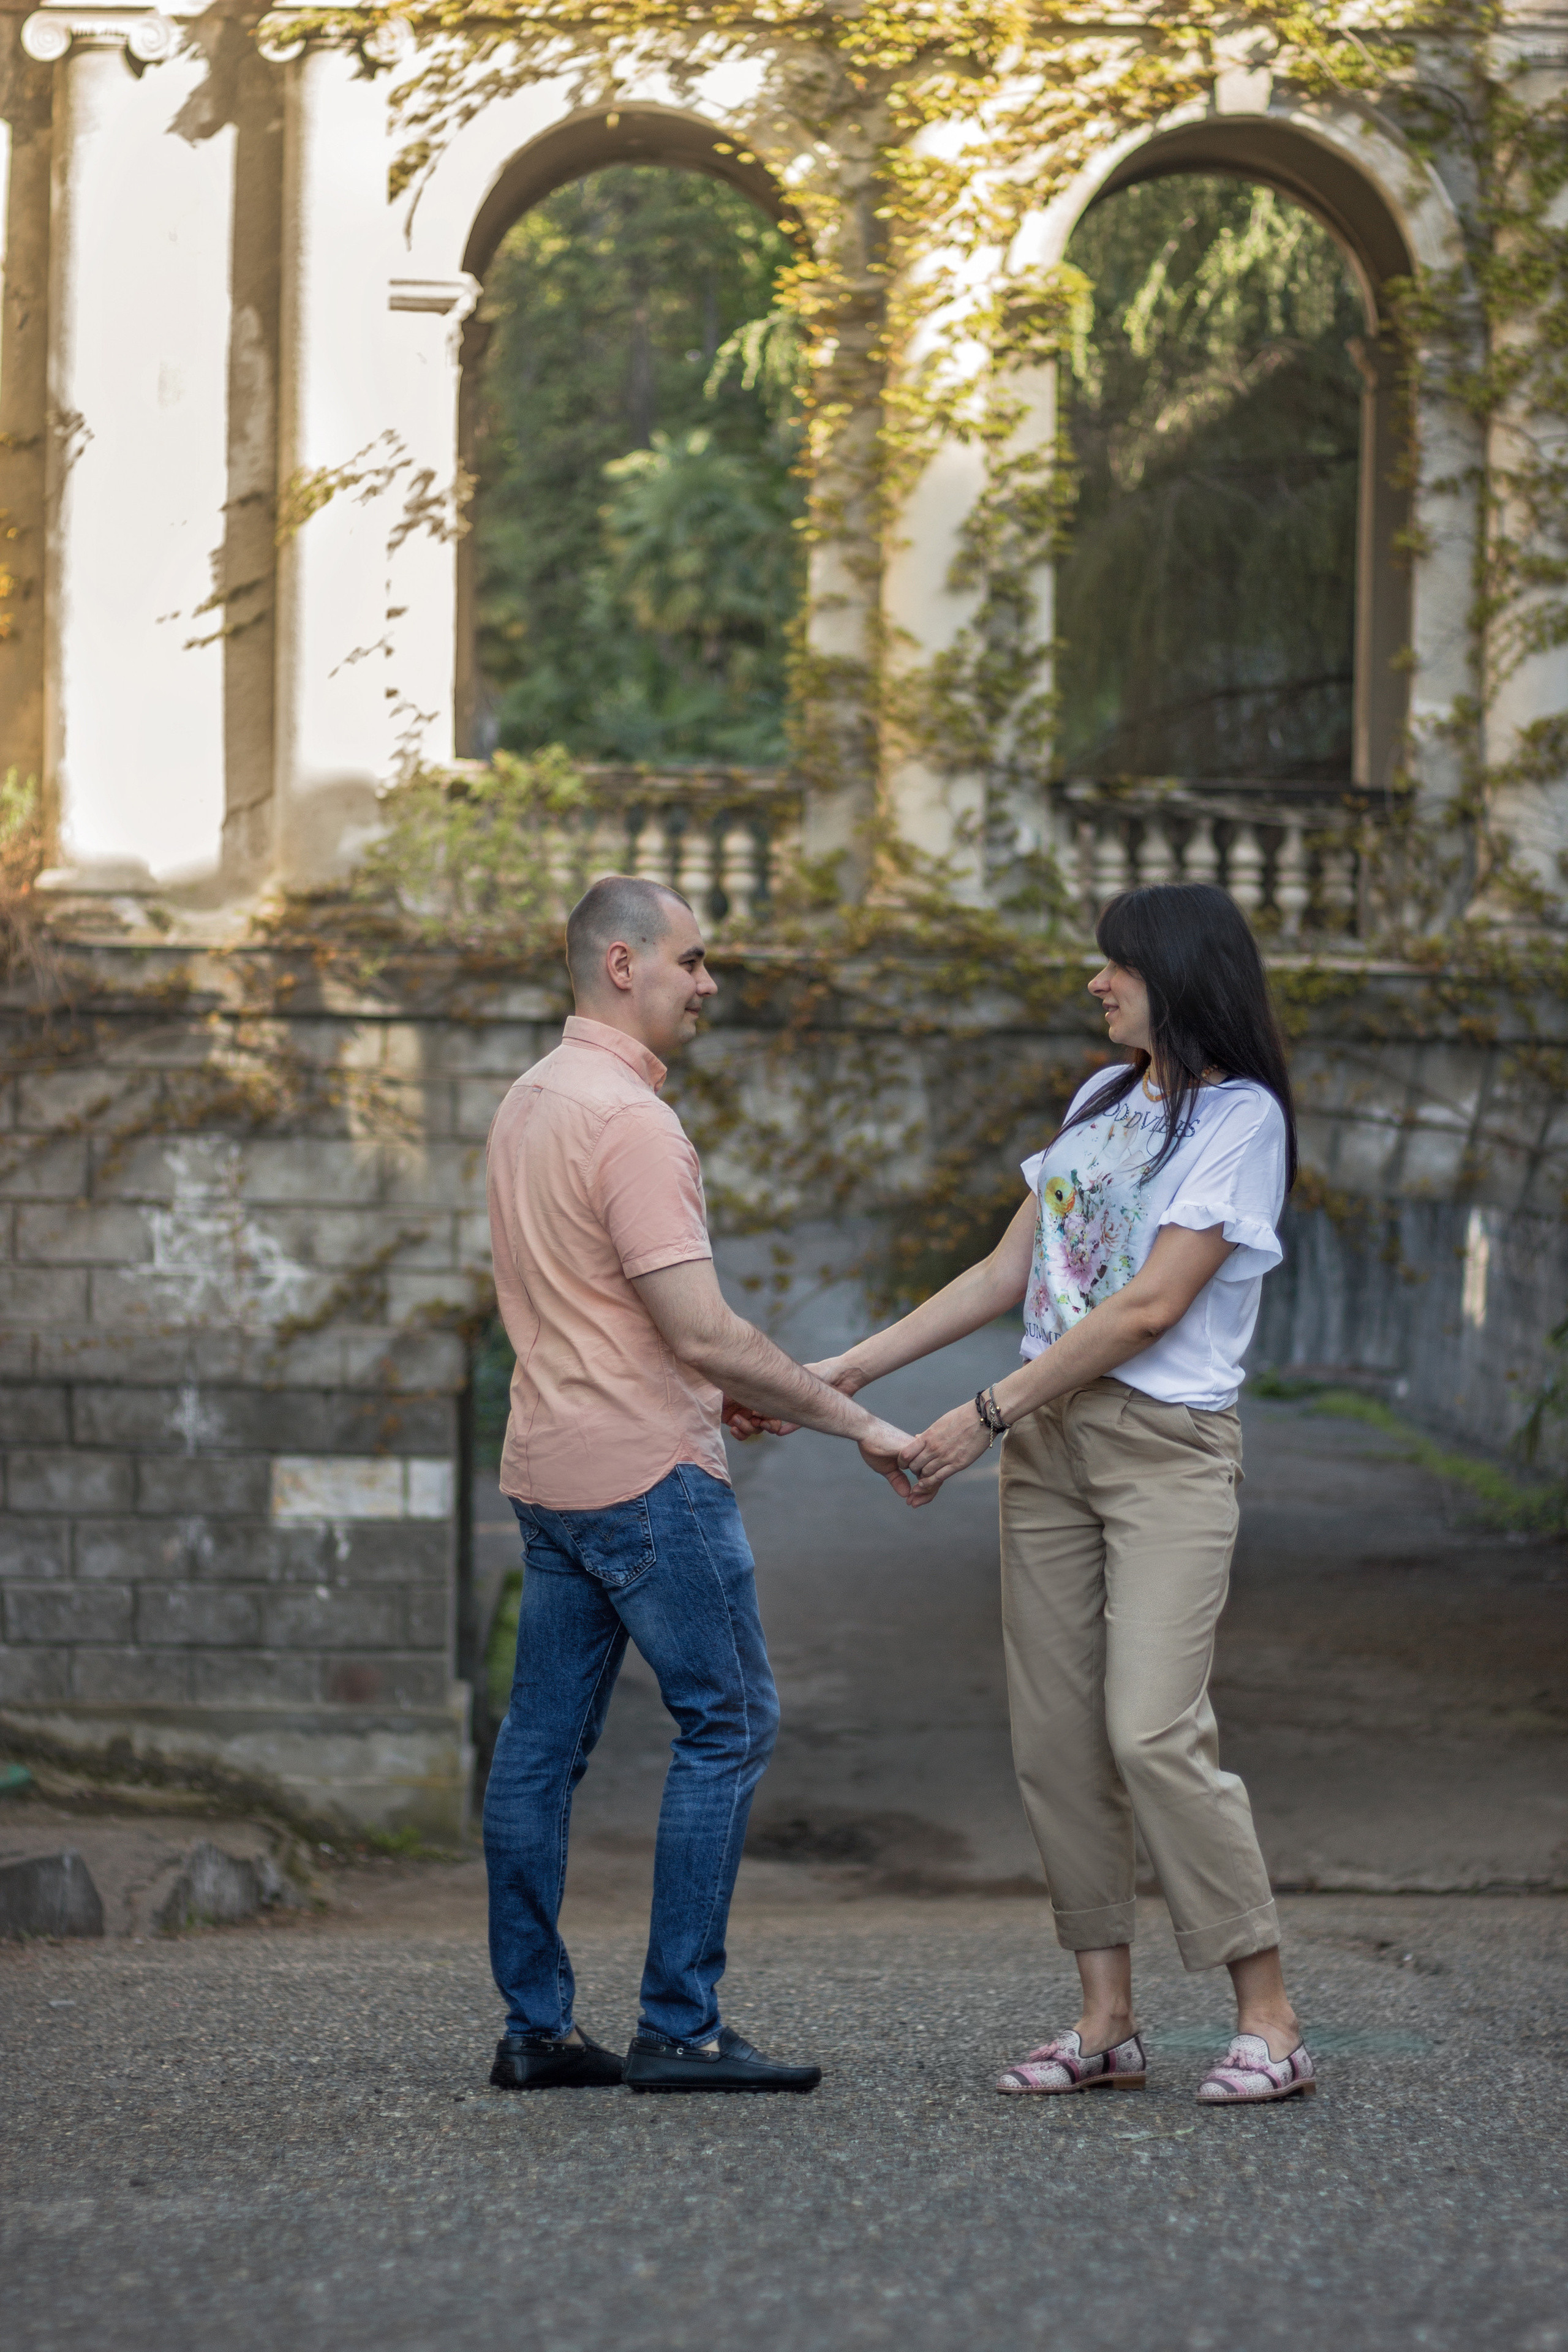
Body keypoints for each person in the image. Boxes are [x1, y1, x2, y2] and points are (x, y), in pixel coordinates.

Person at [804, 882, 1316, 2106]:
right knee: (1053, 1737)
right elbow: (1003, 1273)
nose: (1095, 983)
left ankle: (1270, 2017)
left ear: (1178, 976)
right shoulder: (1095, 1102)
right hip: (1049, 1452)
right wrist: (842, 1372)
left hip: (1161, 1451)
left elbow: (1145, 1308)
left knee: (1149, 1727)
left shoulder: (1238, 1121)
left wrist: (985, 1413)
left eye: (1115, 966)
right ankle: (1104, 2023)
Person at [482, 872, 914, 2096]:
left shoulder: (527, 1102)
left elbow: (596, 1308)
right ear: (621, 965)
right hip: (645, 1483)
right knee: (727, 1724)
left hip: (550, 1473)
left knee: (538, 1748)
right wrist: (856, 1423)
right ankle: (679, 2024)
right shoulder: (629, 1122)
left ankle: (535, 2028)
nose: (708, 982)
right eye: (691, 960)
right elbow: (702, 1330)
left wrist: (713, 1383)